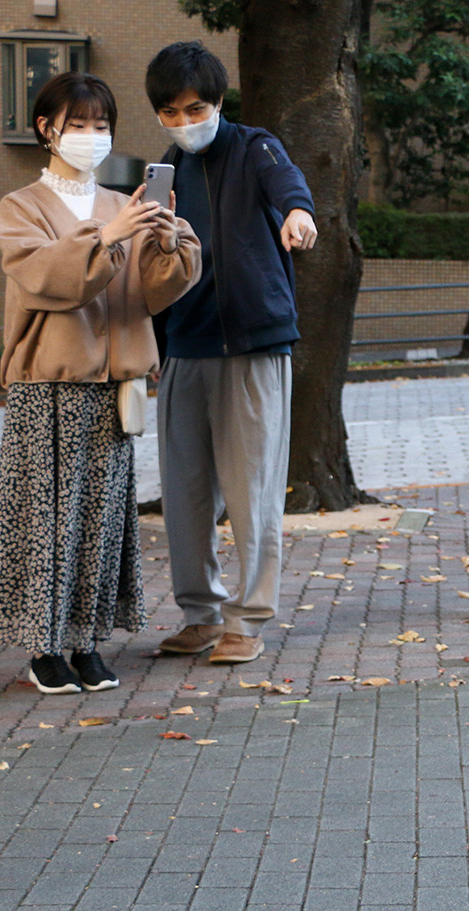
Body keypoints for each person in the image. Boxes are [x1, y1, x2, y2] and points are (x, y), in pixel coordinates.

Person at [0, 72, 200, 694]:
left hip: (116, 385)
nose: (91, 136)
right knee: (46, 519)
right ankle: (43, 648)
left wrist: (166, 241)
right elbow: (46, 279)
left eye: (101, 125)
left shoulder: (120, 204)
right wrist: (107, 236)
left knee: (102, 523)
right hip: (49, 384)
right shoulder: (21, 207)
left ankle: (85, 643)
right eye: (78, 124)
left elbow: (151, 295)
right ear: (47, 129)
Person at [144, 41, 317, 665]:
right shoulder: (165, 172)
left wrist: (298, 215)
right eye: (170, 112)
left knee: (253, 492)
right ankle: (202, 616)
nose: (185, 122)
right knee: (185, 494)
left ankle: (248, 619)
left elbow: (290, 185)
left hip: (254, 343)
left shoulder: (255, 147)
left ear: (218, 102)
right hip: (184, 349)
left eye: (195, 108)